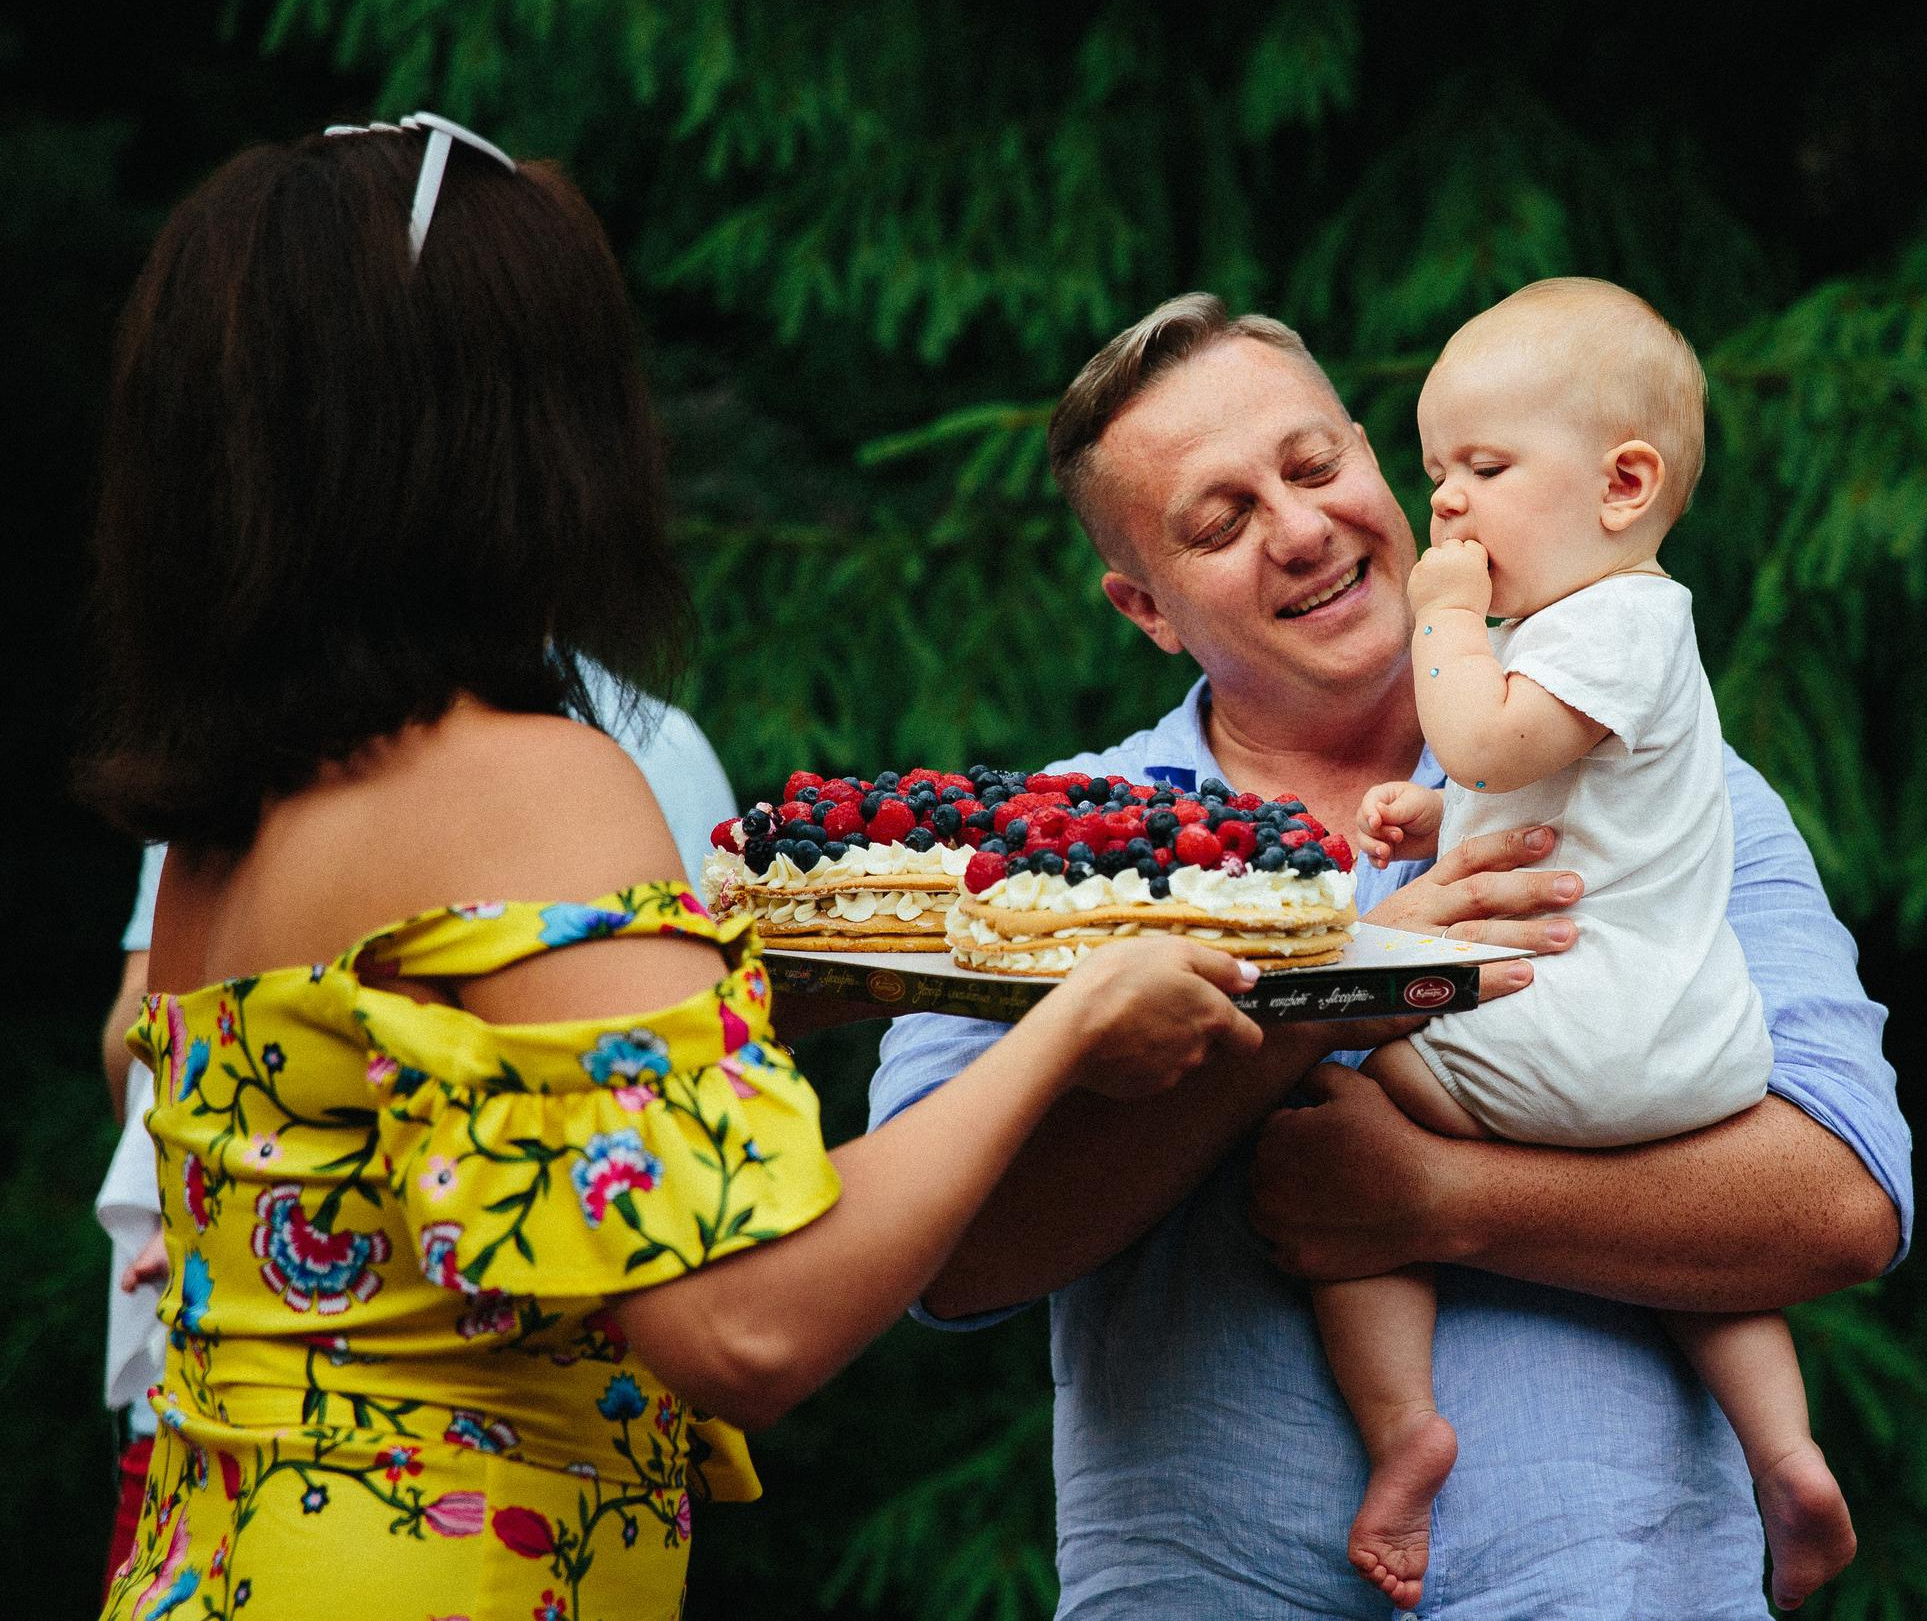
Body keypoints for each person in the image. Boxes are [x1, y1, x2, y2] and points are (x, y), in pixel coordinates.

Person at [85, 116, 1256, 1619]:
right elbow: (743, 1319)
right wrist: (1068, 1029)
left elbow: (458, 1145)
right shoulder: (526, 775)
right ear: (509, 430)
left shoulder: (218, 818)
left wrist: (785, 980)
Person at [871, 293, 1912, 1618]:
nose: (1301, 527)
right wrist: (1326, 998)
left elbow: (1840, 1198)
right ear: (1144, 605)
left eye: (1316, 467)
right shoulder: (1055, 840)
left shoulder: (1653, 764)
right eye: (1222, 518)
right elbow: (942, 1250)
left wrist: (1440, 1197)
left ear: (1376, 460)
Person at [1336, 278, 1852, 1609]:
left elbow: (1489, 736)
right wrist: (1438, 812)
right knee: (1687, 1253)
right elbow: (1554, 796)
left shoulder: (1617, 618)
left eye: (1486, 467)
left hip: (1581, 1023)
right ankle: (1786, 1456)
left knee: (1322, 1059)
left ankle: (1404, 1426)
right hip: (1685, 1049)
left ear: (1625, 484)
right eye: (1437, 466)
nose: (1442, 501)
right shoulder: (1600, 641)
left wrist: (1440, 622)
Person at [91, 670, 738, 1588]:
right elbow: (738, 1325)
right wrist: (1021, 1030)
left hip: (208, 1547)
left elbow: (148, 1053)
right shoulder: (555, 770)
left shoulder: (225, 783)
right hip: (444, 1553)